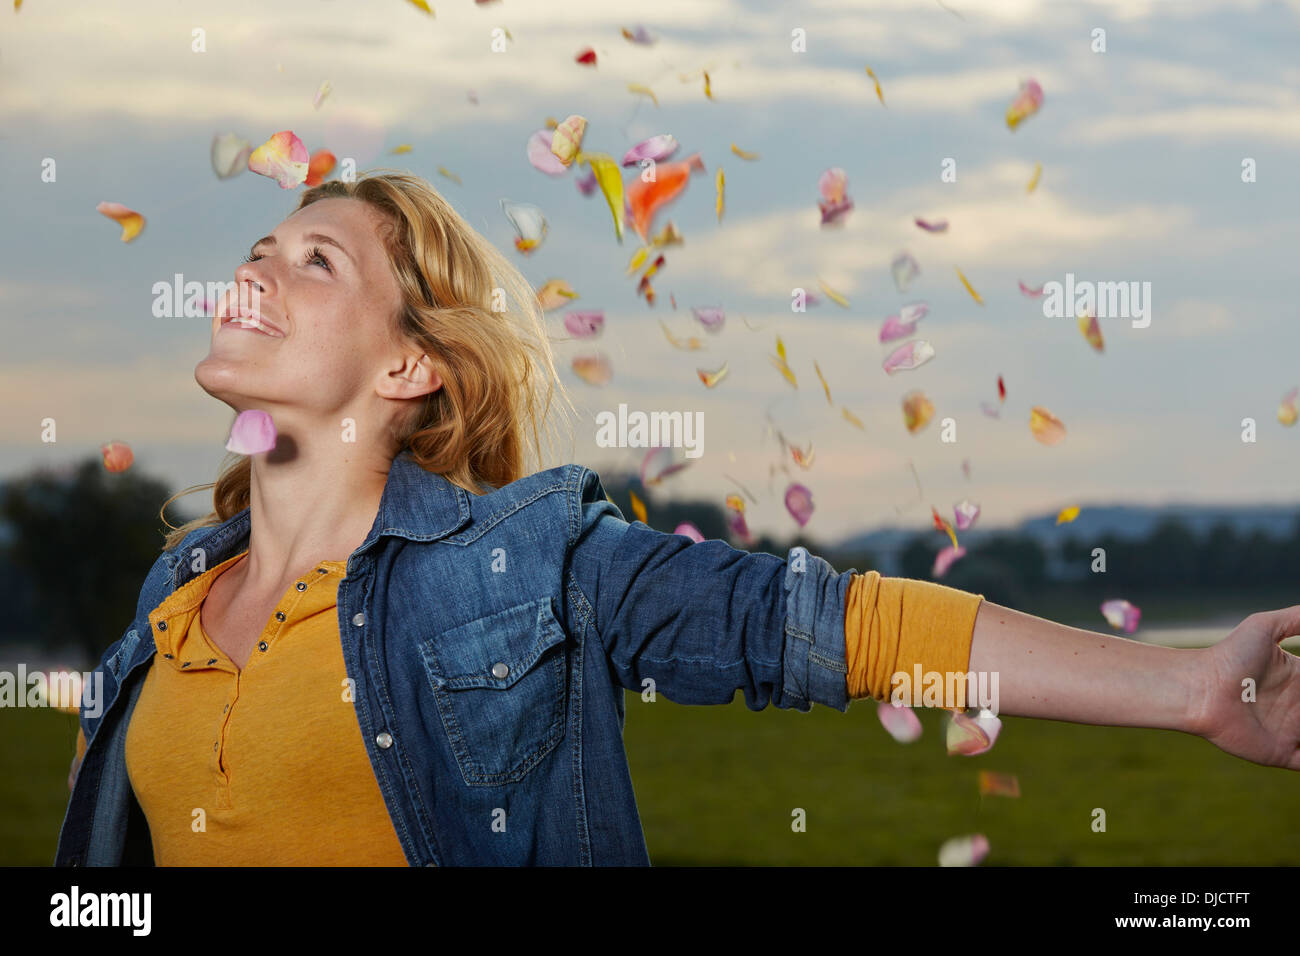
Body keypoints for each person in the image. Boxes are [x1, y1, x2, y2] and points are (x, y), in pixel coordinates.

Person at [55, 170, 1300, 867]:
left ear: (408, 366)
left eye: (315, 259)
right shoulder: (168, 606)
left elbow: (836, 625)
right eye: (262, 245)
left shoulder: (527, 567)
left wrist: (1191, 686)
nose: (256, 267)